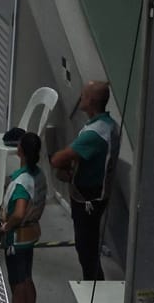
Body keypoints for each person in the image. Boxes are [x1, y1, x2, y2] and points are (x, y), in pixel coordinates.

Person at [49, 81, 117, 282]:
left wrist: (64, 165)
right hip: (95, 193)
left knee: (86, 248)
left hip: (88, 198)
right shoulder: (106, 126)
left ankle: (93, 293)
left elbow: (58, 159)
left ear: (91, 101)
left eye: (84, 94)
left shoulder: (94, 134)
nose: (80, 96)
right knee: (88, 246)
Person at [0, 131, 47, 303]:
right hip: (31, 235)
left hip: (17, 239)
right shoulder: (38, 175)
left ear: (21, 151)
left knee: (18, 286)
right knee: (27, 279)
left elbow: (18, 212)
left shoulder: (22, 183)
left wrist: (6, 226)